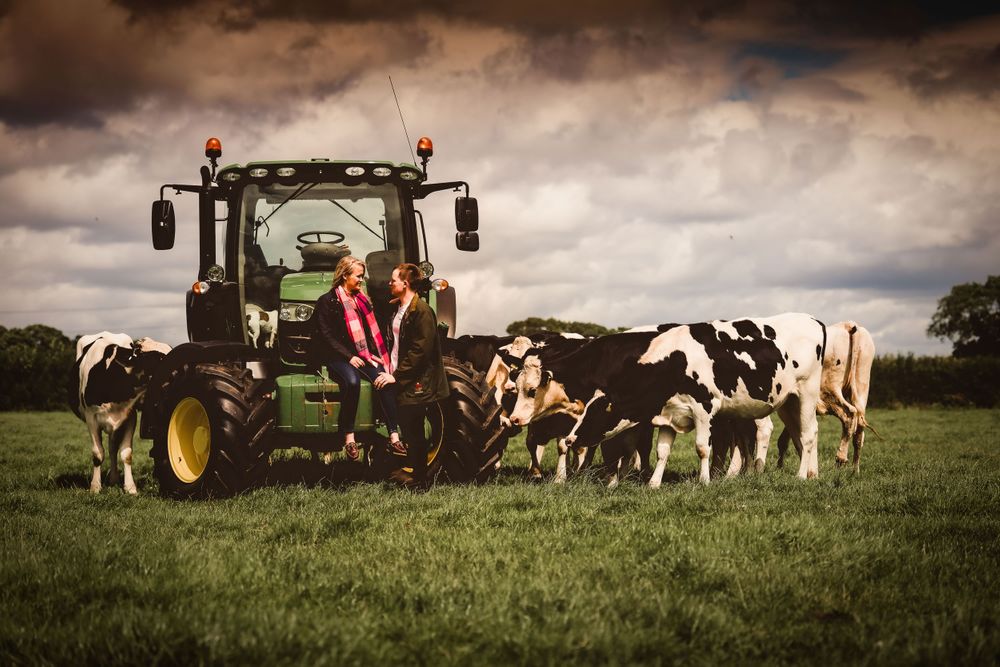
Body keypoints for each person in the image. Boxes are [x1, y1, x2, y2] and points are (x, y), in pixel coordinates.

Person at [311, 255, 402, 462]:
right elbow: (326, 335)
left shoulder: (362, 300)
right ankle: (349, 437)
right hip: (338, 356)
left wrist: (370, 353)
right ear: (345, 276)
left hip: (362, 355)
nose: (361, 280)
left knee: (383, 379)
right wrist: (349, 356)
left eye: (362, 276)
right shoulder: (327, 301)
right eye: (358, 276)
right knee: (352, 382)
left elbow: (370, 331)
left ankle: (394, 436)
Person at [373, 263, 450, 487]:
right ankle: (413, 474)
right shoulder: (399, 308)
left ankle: (420, 480)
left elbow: (420, 351)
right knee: (408, 427)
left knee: (414, 429)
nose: (390, 283)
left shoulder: (422, 312)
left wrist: (396, 375)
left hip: (416, 381)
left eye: (394, 280)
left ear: (405, 283)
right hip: (402, 375)